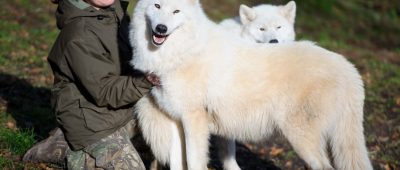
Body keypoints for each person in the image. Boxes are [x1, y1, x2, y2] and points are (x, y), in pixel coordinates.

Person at [22, 0, 159, 169]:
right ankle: (73, 150)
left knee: (177, 137)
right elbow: (105, 91)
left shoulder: (116, 10)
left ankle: (65, 139)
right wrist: (147, 80)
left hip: (126, 109)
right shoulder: (79, 33)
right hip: (94, 124)